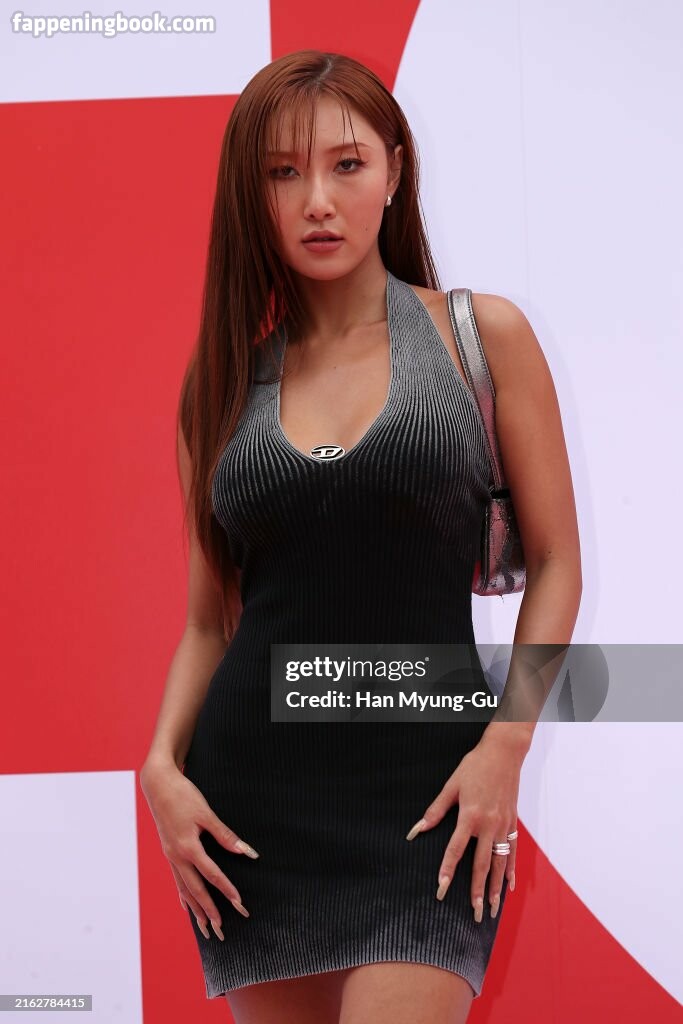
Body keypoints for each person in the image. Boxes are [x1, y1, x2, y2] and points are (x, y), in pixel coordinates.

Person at [140, 49, 582, 1024]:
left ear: (392, 171)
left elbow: (555, 563)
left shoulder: (482, 337)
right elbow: (210, 621)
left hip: (432, 793)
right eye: (282, 173)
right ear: (251, 195)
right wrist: (160, 768)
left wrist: (504, 745)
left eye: (346, 164)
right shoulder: (219, 387)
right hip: (252, 806)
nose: (317, 201)